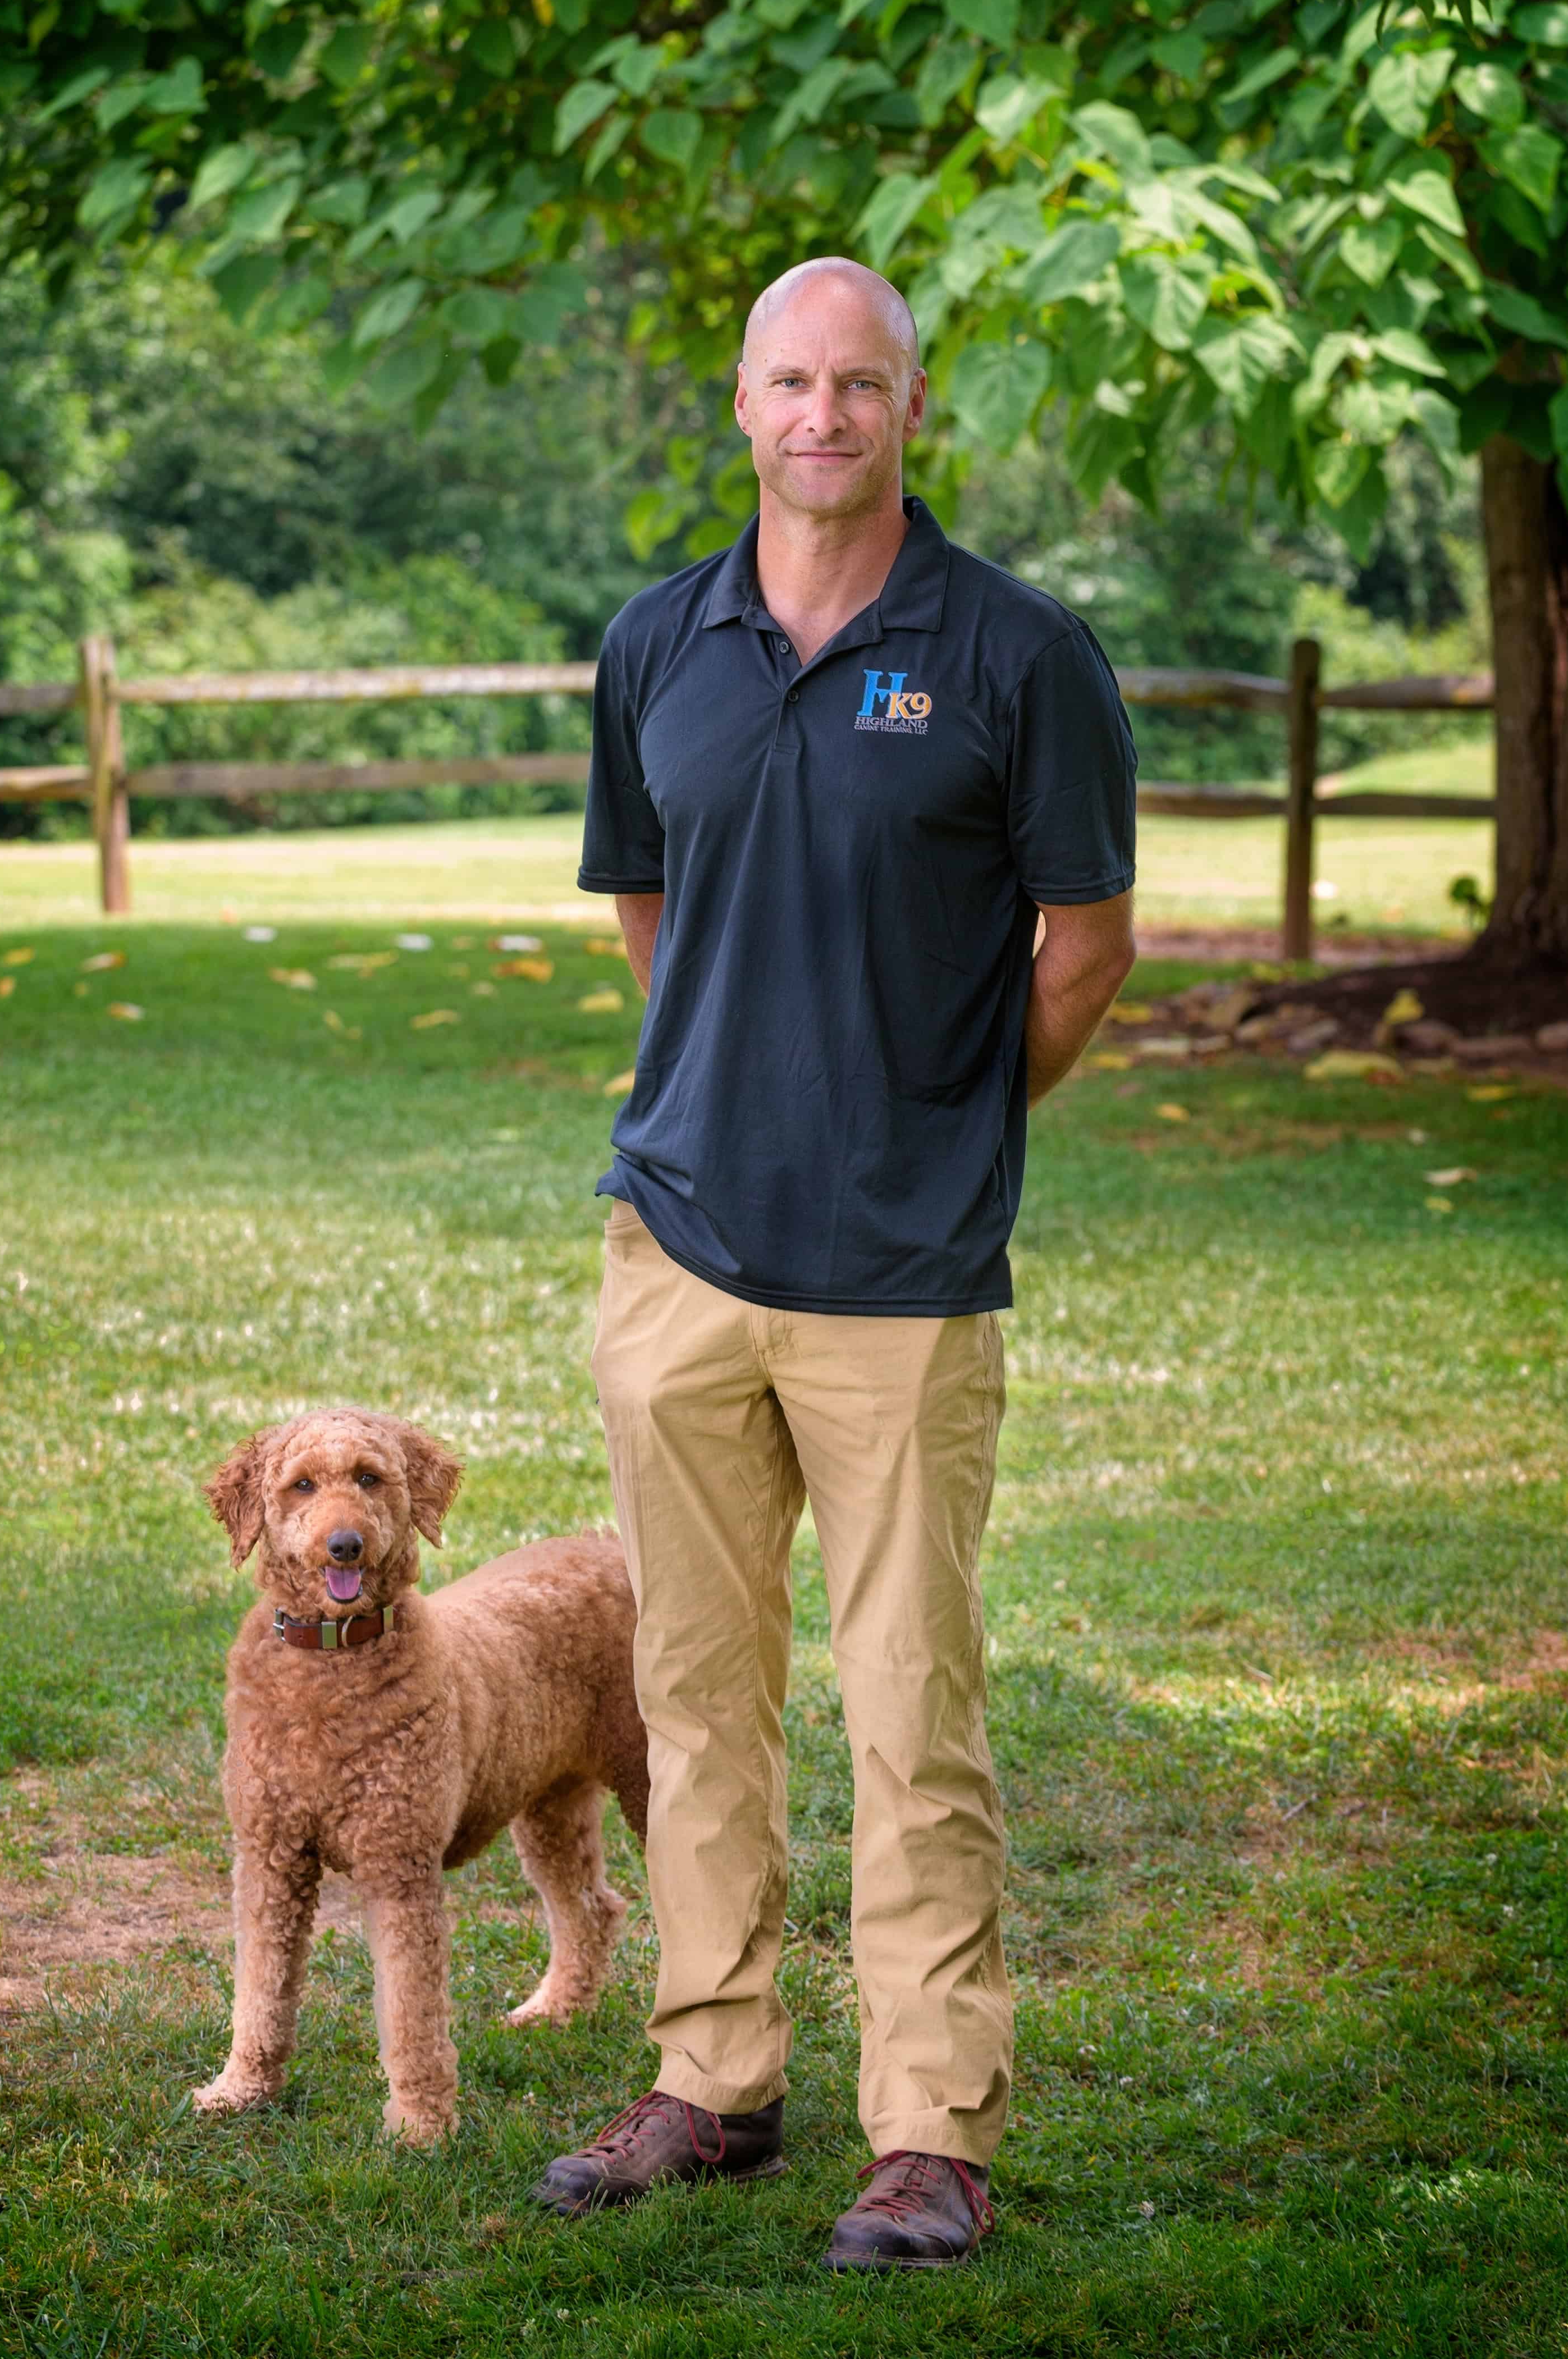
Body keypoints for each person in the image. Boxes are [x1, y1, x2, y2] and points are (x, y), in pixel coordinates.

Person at [532, 257, 1137, 2271]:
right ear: (741, 402)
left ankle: (932, 2131)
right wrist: (731, 1089)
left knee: (911, 1710)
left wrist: (938, 1118)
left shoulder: (1020, 654)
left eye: (857, 384)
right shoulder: (657, 642)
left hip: (905, 1276)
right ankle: (714, 2078)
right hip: (683, 1253)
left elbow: (1086, 951)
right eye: (789, 381)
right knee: (694, 1697)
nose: (821, 415)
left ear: (911, 406)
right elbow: (650, 908)